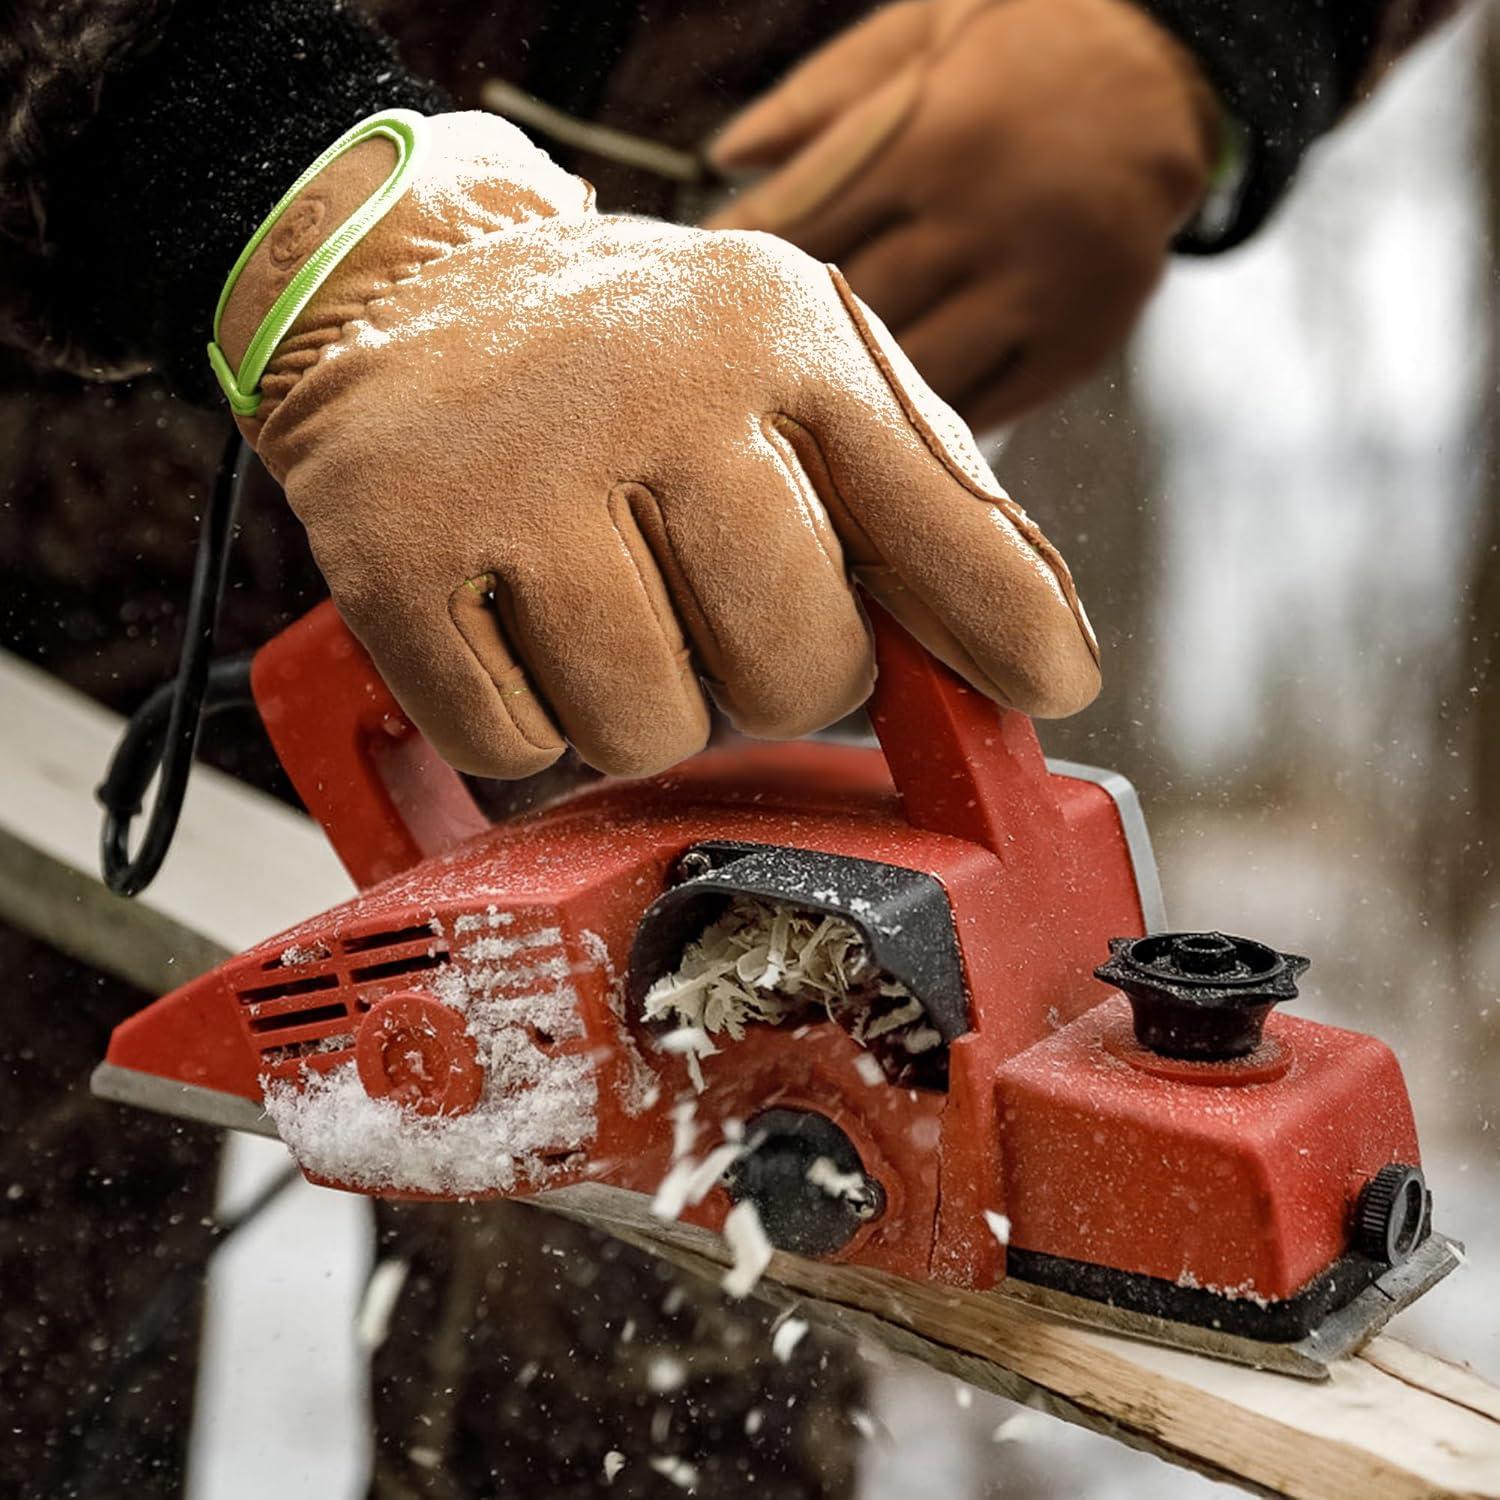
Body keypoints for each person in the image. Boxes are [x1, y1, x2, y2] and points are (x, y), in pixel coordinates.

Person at [0, 1, 1462, 1495]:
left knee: (654, 1418)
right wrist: (247, 168)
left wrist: (1213, 38)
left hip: (699, 423)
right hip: (87, 397)